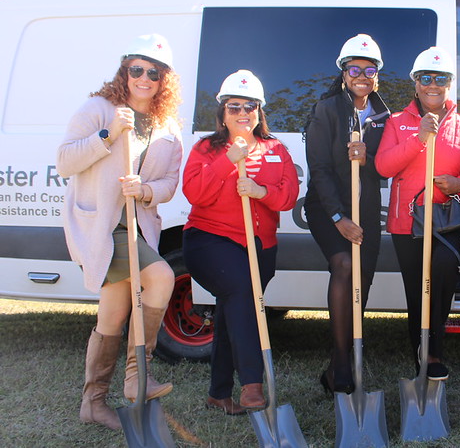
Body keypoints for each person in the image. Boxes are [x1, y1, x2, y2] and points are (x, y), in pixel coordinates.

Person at [57, 34, 183, 430]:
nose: (145, 78)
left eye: (155, 72)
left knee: (112, 315)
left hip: (137, 227)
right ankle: (135, 377)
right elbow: (64, 161)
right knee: (162, 275)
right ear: (125, 71)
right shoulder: (99, 109)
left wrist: (145, 190)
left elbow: (168, 183)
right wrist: (108, 134)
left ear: (164, 79)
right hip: (102, 227)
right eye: (138, 69)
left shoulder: (168, 127)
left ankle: (93, 403)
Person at [182, 70, 299, 414]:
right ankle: (252, 384)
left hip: (259, 246)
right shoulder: (206, 148)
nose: (243, 112)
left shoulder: (276, 149)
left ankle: (219, 393)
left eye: (250, 105)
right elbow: (195, 193)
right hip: (209, 240)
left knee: (232, 311)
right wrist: (228, 161)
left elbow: (289, 196)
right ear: (222, 112)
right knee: (242, 294)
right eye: (234, 106)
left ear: (260, 111)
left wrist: (261, 191)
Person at [376, 47, 460, 380]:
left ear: (450, 83)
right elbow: (383, 166)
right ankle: (421, 360)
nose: (433, 85)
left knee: (441, 271)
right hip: (407, 222)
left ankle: (435, 351)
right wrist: (421, 137)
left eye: (441, 79)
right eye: (425, 78)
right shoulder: (397, 122)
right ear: (415, 82)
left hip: (446, 220)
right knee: (416, 292)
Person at [303, 34, 390, 394]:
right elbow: (319, 168)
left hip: (366, 211)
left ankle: (336, 365)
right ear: (343, 72)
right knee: (343, 265)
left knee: (362, 283)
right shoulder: (326, 110)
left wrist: (367, 160)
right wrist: (339, 217)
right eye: (354, 68)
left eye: (369, 70)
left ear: (376, 76)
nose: (362, 75)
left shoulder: (386, 117)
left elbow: (386, 169)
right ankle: (342, 367)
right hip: (328, 209)